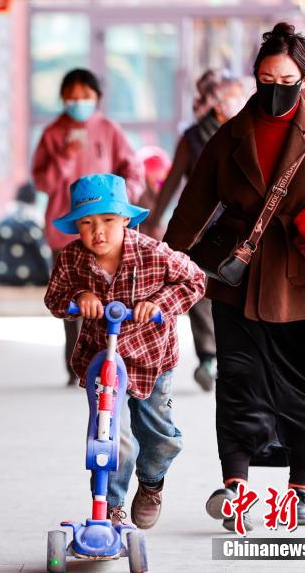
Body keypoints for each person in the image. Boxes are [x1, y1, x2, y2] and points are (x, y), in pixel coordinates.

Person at [163, 23, 305, 532]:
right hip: (238, 280)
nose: (275, 89)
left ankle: (301, 488)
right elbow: (191, 209)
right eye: (266, 79)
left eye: (286, 80)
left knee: (304, 386)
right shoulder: (229, 135)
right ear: (255, 76)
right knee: (238, 381)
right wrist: (162, 267)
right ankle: (235, 487)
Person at [45, 173, 206, 529]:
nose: (98, 232)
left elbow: (195, 280)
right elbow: (54, 298)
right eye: (86, 223)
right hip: (102, 359)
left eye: (107, 220)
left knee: (158, 435)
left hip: (152, 358)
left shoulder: (152, 252)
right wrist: (78, 297)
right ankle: (110, 506)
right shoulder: (71, 258)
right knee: (109, 435)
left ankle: (151, 482)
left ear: (124, 220)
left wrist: (159, 303)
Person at [33, 68, 145, 385]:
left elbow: (133, 169)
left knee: (108, 297)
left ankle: (109, 362)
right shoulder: (53, 133)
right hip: (64, 231)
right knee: (71, 299)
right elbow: (43, 182)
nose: (78, 101)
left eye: (85, 96)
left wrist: (123, 202)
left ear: (97, 97)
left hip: (106, 234)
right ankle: (76, 365)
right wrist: (65, 157)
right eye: (72, 96)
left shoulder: (109, 129)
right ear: (62, 98)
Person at [144, 73, 246, 392]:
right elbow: (172, 181)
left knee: (235, 287)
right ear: (217, 103)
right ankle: (208, 355)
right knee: (200, 288)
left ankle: (233, 353)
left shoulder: (247, 132)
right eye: (233, 96)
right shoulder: (192, 138)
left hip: (241, 227)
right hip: (202, 228)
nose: (240, 102)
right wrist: (155, 220)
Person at [0, 182, 51, 286]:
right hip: (33, 278)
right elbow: (43, 253)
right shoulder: (34, 224)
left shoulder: (3, 222)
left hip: (3, 276)